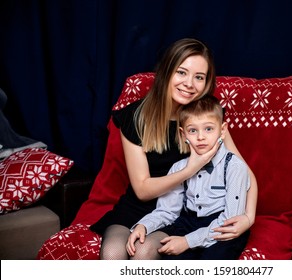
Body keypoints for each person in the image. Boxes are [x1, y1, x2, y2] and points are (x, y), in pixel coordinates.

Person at [89, 38, 258, 260]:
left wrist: (249, 217)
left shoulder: (204, 119)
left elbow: (242, 169)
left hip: (181, 213)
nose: (189, 83)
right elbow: (142, 189)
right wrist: (190, 169)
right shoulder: (134, 117)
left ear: (206, 83)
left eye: (199, 77)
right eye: (181, 72)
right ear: (167, 71)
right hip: (140, 208)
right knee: (112, 254)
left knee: (144, 253)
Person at [127, 95, 250, 259]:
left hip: (222, 228)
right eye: (193, 130)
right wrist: (144, 225)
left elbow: (231, 221)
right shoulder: (179, 168)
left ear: (222, 129)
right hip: (188, 223)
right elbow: (167, 211)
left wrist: (187, 241)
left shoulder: (234, 167)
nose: (200, 137)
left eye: (208, 129)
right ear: (183, 134)